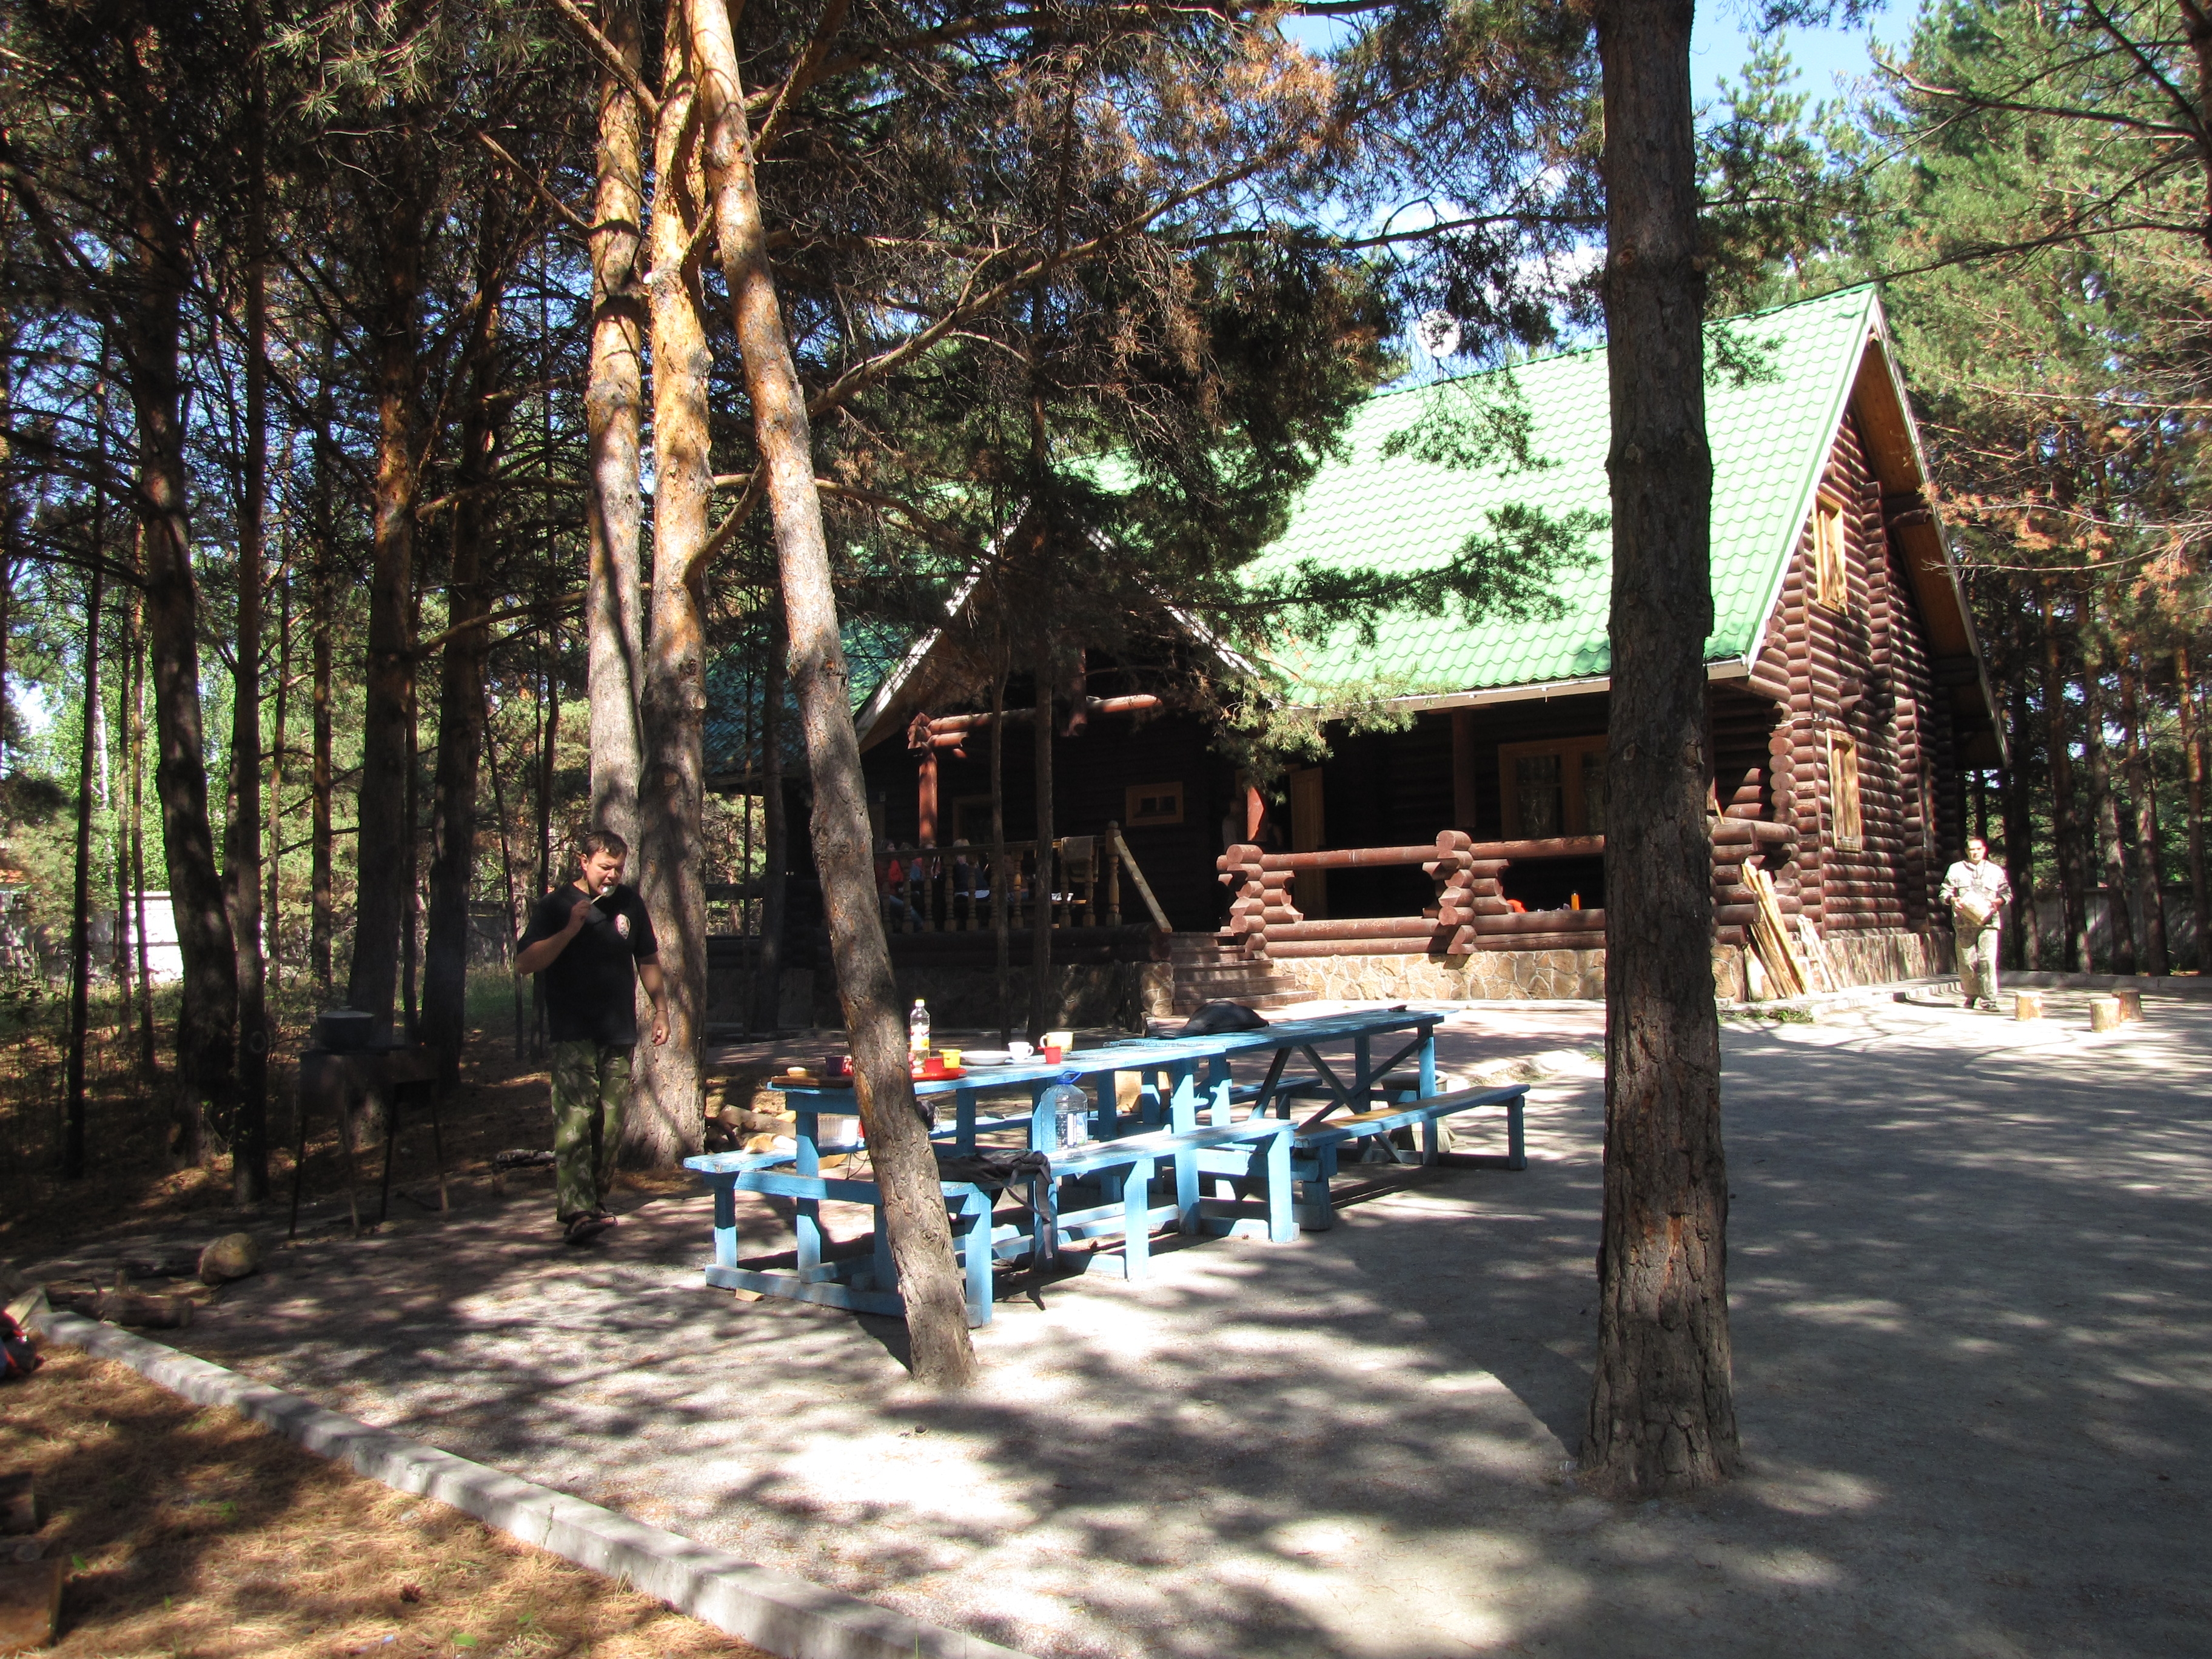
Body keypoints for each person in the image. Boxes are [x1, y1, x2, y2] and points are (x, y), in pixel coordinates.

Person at [515, 830, 669, 1244]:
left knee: (610, 1123)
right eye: (605, 867)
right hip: (573, 1030)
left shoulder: (629, 903)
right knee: (575, 1121)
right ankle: (576, 1210)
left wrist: (661, 1009)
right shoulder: (556, 906)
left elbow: (648, 957)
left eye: (618, 869)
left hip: (617, 1031)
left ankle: (597, 1202)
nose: (612, 876)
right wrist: (569, 930)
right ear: (583, 862)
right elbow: (525, 963)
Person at [1939, 835, 2012, 1011]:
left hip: (1989, 922)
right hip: (1964, 924)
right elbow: (1944, 891)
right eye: (1972, 849)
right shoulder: (1956, 869)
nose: (1975, 852)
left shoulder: (1996, 871)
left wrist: (1999, 902)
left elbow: (2007, 893)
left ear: (1984, 850)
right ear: (1966, 851)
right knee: (1967, 962)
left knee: (1987, 961)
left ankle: (1989, 1000)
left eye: (1978, 849)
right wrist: (1952, 900)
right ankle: (1971, 995)